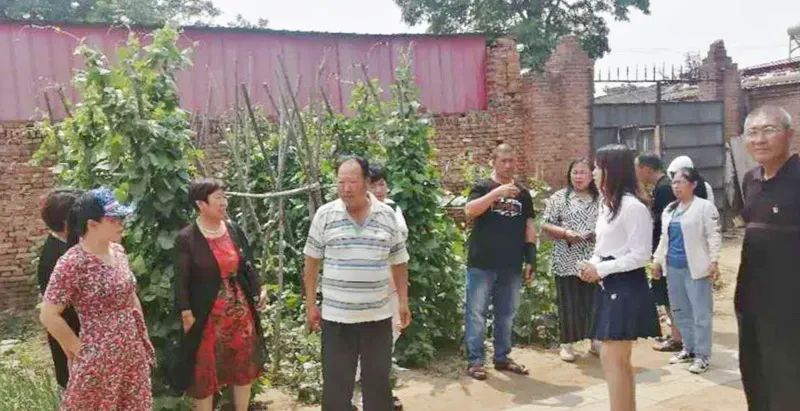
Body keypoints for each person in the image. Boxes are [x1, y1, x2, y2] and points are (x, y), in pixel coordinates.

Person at [303, 156, 412, 411]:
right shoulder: (325, 215)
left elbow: (399, 262)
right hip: (337, 319)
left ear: (366, 182)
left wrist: (403, 301)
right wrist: (310, 304)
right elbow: (311, 262)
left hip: (377, 318)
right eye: (341, 182)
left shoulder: (387, 216)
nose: (346, 189)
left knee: (377, 387)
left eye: (352, 182)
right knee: (336, 389)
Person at [39, 187, 155, 410]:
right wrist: (80, 350)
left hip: (132, 352)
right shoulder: (72, 262)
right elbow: (48, 315)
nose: (121, 224)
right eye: (113, 220)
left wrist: (142, 337)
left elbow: (130, 295)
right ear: (92, 224)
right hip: (98, 358)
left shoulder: (118, 252)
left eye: (121, 218)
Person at [173, 178, 268, 411]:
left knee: (243, 366)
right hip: (207, 317)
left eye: (224, 197)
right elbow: (181, 280)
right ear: (201, 204)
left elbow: (247, 265)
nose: (224, 202)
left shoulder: (233, 229)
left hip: (239, 312)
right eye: (218, 198)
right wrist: (186, 313)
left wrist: (259, 289)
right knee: (204, 373)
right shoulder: (187, 238)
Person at [578, 144, 660, 411]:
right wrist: (591, 265)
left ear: (612, 170)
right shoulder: (607, 205)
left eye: (597, 167)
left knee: (615, 361)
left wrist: (601, 269)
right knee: (612, 362)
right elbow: (605, 248)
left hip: (625, 288)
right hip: (609, 285)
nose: (593, 172)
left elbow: (641, 255)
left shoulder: (632, 207)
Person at [736, 105, 800, 410]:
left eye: (768, 130)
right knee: (756, 374)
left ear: (789, 134)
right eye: (752, 132)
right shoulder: (751, 180)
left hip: (791, 306)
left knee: (789, 381)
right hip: (752, 301)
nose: (759, 139)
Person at [463, 143, 536, 380]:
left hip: (511, 264)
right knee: (476, 312)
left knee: (506, 314)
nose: (508, 165)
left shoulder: (523, 194)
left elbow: (529, 226)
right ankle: (475, 361)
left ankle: (502, 357)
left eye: (511, 160)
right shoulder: (482, 187)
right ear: (492, 162)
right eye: (503, 160)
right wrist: (496, 193)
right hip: (481, 262)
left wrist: (531, 258)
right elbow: (470, 210)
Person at [652, 167, 721, 374]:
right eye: (674, 182)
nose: (676, 186)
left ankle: (702, 355)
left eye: (680, 182)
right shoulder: (670, 209)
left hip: (696, 268)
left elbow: (713, 235)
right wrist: (657, 261)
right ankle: (689, 348)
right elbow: (664, 238)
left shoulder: (704, 207)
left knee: (700, 313)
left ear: (693, 184)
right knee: (680, 311)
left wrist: (714, 261)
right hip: (673, 267)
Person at [540, 159, 600, 362]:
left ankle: (595, 341)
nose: (578, 176)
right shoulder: (559, 198)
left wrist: (595, 234)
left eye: (583, 172)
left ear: (591, 175)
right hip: (566, 258)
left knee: (593, 300)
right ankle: (567, 344)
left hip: (593, 258)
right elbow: (546, 224)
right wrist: (566, 233)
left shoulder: (600, 198)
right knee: (568, 302)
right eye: (575, 172)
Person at [358, 164, 407, 410]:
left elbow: (401, 251)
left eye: (382, 184)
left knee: (390, 336)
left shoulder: (394, 208)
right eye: (374, 184)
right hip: (366, 285)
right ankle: (356, 396)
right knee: (363, 340)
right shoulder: (356, 211)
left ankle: (381, 393)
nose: (379, 189)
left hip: (391, 283)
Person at [635, 153, 682, 353]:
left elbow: (664, 225)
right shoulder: (663, 186)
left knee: (669, 295)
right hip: (666, 250)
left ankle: (678, 338)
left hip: (666, 252)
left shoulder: (664, 189)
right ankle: (677, 335)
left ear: (646, 169)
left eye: (637, 169)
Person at [37, 188, 82, 389]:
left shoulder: (68, 246)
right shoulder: (55, 258)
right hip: (72, 341)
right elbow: (55, 315)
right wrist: (80, 352)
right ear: (66, 222)